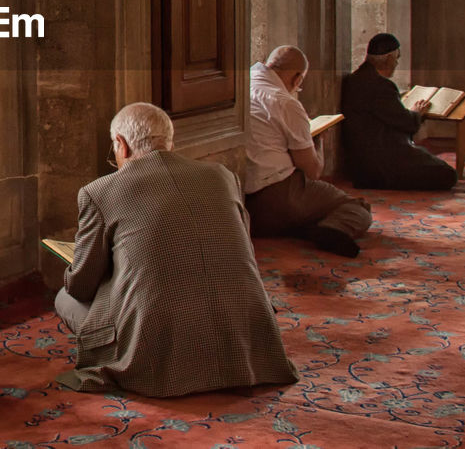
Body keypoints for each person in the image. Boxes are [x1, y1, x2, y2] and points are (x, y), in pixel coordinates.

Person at [54, 102, 299, 397]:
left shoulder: (100, 192)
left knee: (64, 297)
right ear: (171, 142)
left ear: (121, 144)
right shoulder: (223, 177)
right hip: (244, 336)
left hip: (155, 346)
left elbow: (81, 285)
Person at [245, 46, 373, 257]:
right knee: (357, 208)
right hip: (277, 196)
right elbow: (312, 171)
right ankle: (333, 230)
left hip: (241, 202)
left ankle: (306, 226)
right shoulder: (285, 102)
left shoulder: (239, 86)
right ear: (297, 79)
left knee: (308, 209)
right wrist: (317, 142)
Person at [340, 33, 457, 191]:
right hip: (380, 165)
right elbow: (407, 123)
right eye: (396, 58)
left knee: (424, 156)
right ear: (388, 59)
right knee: (447, 174)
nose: (396, 63)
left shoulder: (354, 79)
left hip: (361, 162)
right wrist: (416, 112)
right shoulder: (381, 86)